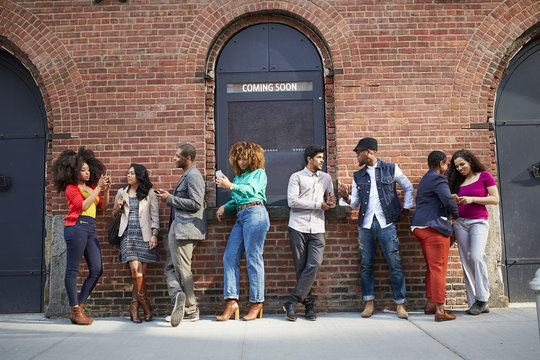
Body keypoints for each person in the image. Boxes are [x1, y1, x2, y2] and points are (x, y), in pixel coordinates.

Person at [338, 137, 413, 319]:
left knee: (394, 264)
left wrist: (405, 209)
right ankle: (369, 302)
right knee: (366, 265)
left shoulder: (391, 168)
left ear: (370, 151)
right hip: (365, 224)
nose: (357, 155)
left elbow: (409, 188)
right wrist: (346, 197)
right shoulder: (358, 176)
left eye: (359, 152)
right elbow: (355, 204)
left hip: (386, 223)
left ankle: (400, 304)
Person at [51, 147, 110, 325]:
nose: (87, 172)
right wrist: (97, 189)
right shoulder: (71, 188)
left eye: (88, 169)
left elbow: (103, 207)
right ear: (73, 171)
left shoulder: (91, 188)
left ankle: (80, 306)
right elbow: (83, 206)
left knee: (97, 269)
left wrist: (104, 189)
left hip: (90, 228)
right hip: (76, 227)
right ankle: (75, 310)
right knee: (72, 270)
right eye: (83, 169)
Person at [215, 141, 270, 321]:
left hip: (256, 213)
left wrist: (230, 186)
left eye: (244, 157)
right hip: (241, 216)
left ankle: (257, 302)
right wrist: (226, 205)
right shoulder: (238, 178)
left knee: (253, 258)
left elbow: (253, 191)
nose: (240, 161)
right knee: (229, 257)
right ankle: (231, 302)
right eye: (238, 158)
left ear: (253, 158)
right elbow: (239, 198)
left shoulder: (259, 173)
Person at [283, 145, 336, 321]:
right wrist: (317, 205)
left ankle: (292, 301)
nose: (322, 161)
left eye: (323, 157)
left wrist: (332, 202)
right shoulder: (296, 177)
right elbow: (292, 201)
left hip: (318, 228)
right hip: (298, 226)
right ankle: (309, 307)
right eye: (319, 157)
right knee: (301, 268)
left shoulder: (326, 178)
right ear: (309, 159)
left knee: (314, 264)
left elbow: (330, 202)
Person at [156, 144, 206, 327]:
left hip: (185, 228)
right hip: (179, 227)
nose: (174, 158)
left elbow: (196, 203)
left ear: (188, 158)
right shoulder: (188, 175)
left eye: (178, 156)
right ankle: (179, 296)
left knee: (182, 269)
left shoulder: (193, 175)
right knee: (171, 267)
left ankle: (191, 310)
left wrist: (169, 199)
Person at [447, 149, 499, 315]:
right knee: (466, 261)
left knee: (476, 256)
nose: (460, 168)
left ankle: (483, 298)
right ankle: (473, 301)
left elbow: (495, 199)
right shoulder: (457, 181)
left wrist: (472, 199)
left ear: (470, 161)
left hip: (478, 222)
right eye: (457, 166)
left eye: (462, 164)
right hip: (460, 223)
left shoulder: (484, 176)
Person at [411, 151, 459, 322]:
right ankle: (440, 309)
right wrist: (457, 215)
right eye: (446, 164)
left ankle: (430, 303)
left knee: (432, 267)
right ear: (441, 164)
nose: (446, 168)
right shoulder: (439, 179)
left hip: (421, 227)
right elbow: (447, 200)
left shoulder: (425, 179)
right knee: (439, 268)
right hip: (434, 227)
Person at [112, 164, 159, 323]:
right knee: (135, 272)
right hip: (128, 236)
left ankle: (134, 306)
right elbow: (114, 214)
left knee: (141, 274)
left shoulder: (149, 193)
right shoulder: (121, 192)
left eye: (132, 173)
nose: (129, 175)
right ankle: (145, 304)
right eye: (128, 173)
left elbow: (155, 216)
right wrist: (118, 207)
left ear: (139, 175)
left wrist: (154, 235)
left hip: (145, 236)